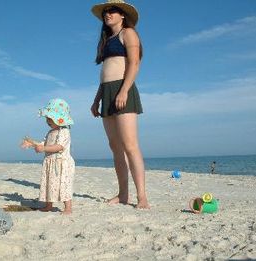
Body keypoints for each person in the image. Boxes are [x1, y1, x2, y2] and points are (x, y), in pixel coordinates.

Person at [90, 0, 149, 209]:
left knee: (130, 145)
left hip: (123, 90)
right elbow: (104, 74)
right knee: (115, 147)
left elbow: (134, 63)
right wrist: (97, 99)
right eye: (105, 11)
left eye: (112, 10)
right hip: (106, 92)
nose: (108, 14)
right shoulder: (107, 40)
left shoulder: (128, 33)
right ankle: (123, 194)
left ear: (122, 14)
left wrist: (123, 90)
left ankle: (142, 196)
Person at [21, 98, 75, 215]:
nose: (48, 120)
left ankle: (68, 207)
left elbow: (59, 146)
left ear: (60, 119)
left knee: (63, 184)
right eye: (47, 118)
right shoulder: (50, 132)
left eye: (50, 118)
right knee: (50, 183)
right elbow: (43, 144)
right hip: (50, 162)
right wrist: (32, 143)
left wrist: (44, 149)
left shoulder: (64, 131)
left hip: (61, 163)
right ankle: (48, 205)